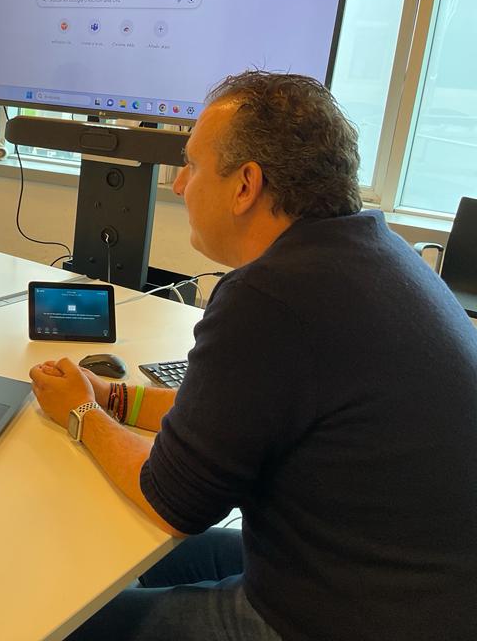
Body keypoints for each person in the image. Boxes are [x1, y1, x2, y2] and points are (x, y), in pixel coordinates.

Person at [30, 71, 477, 641]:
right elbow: (226, 422)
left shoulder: (272, 296)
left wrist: (83, 414)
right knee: (119, 557)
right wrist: (115, 397)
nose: (178, 185)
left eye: (191, 165)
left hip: (352, 617)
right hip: (407, 586)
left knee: (59, 622)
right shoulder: (376, 253)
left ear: (245, 185)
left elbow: (171, 502)